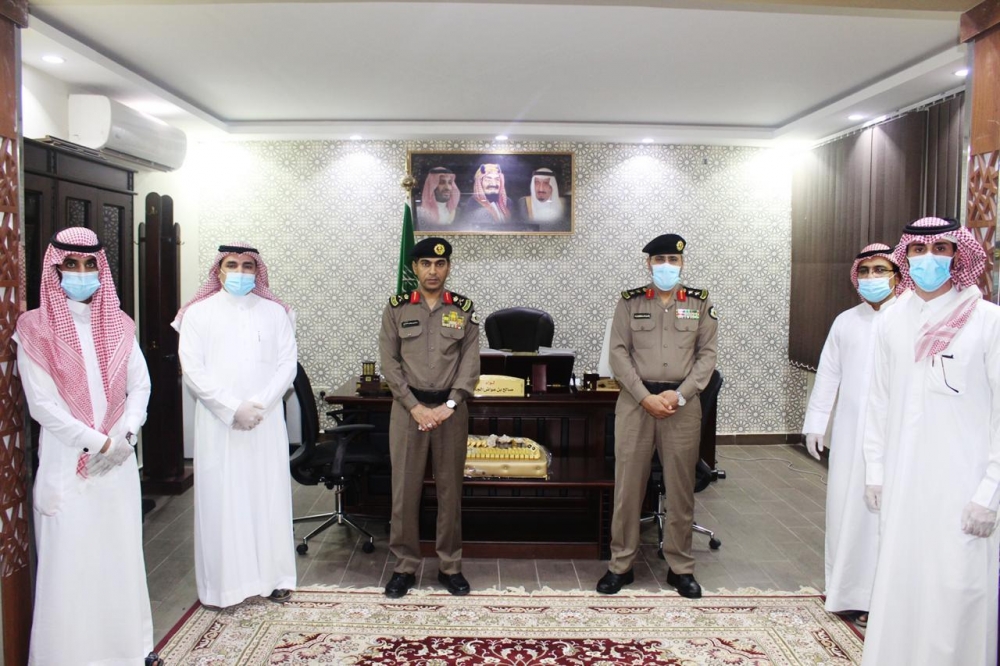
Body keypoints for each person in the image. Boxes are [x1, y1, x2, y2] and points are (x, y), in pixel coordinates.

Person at [16, 228, 159, 665]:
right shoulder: (34, 328)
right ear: (55, 269)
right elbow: (42, 405)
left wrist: (126, 435)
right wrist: (100, 442)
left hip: (117, 462)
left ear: (101, 268)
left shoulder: (120, 324)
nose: (81, 273)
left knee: (119, 557)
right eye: (71, 265)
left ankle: (127, 652)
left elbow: (140, 386)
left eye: (90, 264)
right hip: (69, 461)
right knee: (71, 565)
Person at [862, 217, 1000, 666]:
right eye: (918, 251)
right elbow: (879, 402)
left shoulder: (988, 321)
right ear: (905, 256)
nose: (928, 259)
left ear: (958, 255)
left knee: (957, 591)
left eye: (940, 249)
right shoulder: (892, 320)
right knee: (901, 585)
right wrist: (875, 471)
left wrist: (990, 493)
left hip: (963, 488)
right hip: (903, 485)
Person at [174, 242, 298, 609]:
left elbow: (287, 365)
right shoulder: (198, 314)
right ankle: (225, 587)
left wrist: (258, 406)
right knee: (222, 502)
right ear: (218, 270)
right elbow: (192, 370)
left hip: (265, 422)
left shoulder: (275, 312)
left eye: (248, 266)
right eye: (232, 265)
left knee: (268, 498)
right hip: (219, 424)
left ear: (257, 271)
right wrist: (232, 409)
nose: (240, 272)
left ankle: (274, 578)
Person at [597, 233, 718, 597]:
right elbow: (618, 353)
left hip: (681, 405)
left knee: (681, 491)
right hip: (636, 404)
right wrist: (644, 396)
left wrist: (678, 396)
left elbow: (707, 357)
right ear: (648, 264)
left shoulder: (699, 302)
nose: (666, 266)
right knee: (628, 488)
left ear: (682, 263)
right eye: (659, 260)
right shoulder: (630, 302)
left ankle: (680, 568)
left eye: (673, 260)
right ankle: (621, 565)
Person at [802, 243, 900, 626]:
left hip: (895, 435)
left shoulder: (908, 319)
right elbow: (829, 374)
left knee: (886, 517)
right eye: (865, 271)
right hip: (850, 433)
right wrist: (816, 423)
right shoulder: (846, 321)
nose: (871, 277)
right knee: (846, 509)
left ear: (897, 275)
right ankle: (847, 591)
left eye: (881, 270)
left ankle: (885, 598)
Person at [378, 237, 480, 598]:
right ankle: (405, 565)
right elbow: (389, 363)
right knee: (405, 492)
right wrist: (414, 406)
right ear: (415, 268)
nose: (432, 271)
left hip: (450, 412)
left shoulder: (463, 309)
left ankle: (450, 566)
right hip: (409, 412)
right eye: (425, 264)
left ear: (448, 267)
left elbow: (470, 365)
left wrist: (448, 405)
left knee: (450, 492)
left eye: (439, 264)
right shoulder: (397, 309)